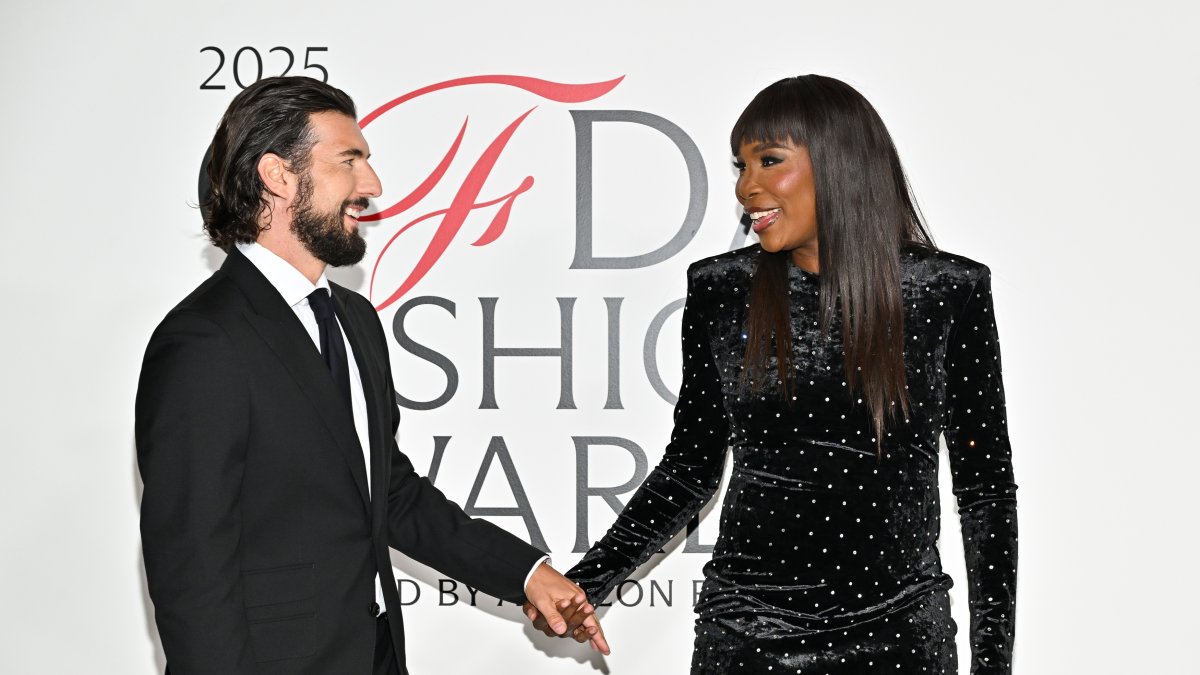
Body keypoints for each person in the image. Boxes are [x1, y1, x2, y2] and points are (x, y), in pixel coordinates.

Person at [528, 75, 1018, 673]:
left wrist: (993, 664)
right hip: (746, 632)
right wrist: (589, 582)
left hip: (899, 635)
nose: (746, 187)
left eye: (768, 161)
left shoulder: (948, 292)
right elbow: (691, 466)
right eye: (740, 165)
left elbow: (985, 487)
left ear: (839, 165)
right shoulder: (719, 289)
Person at [136, 76, 605, 675]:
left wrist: (526, 573)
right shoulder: (204, 340)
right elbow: (190, 563)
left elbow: (389, 495)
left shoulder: (353, 319)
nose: (373, 186)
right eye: (348, 161)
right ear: (279, 177)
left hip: (374, 654)